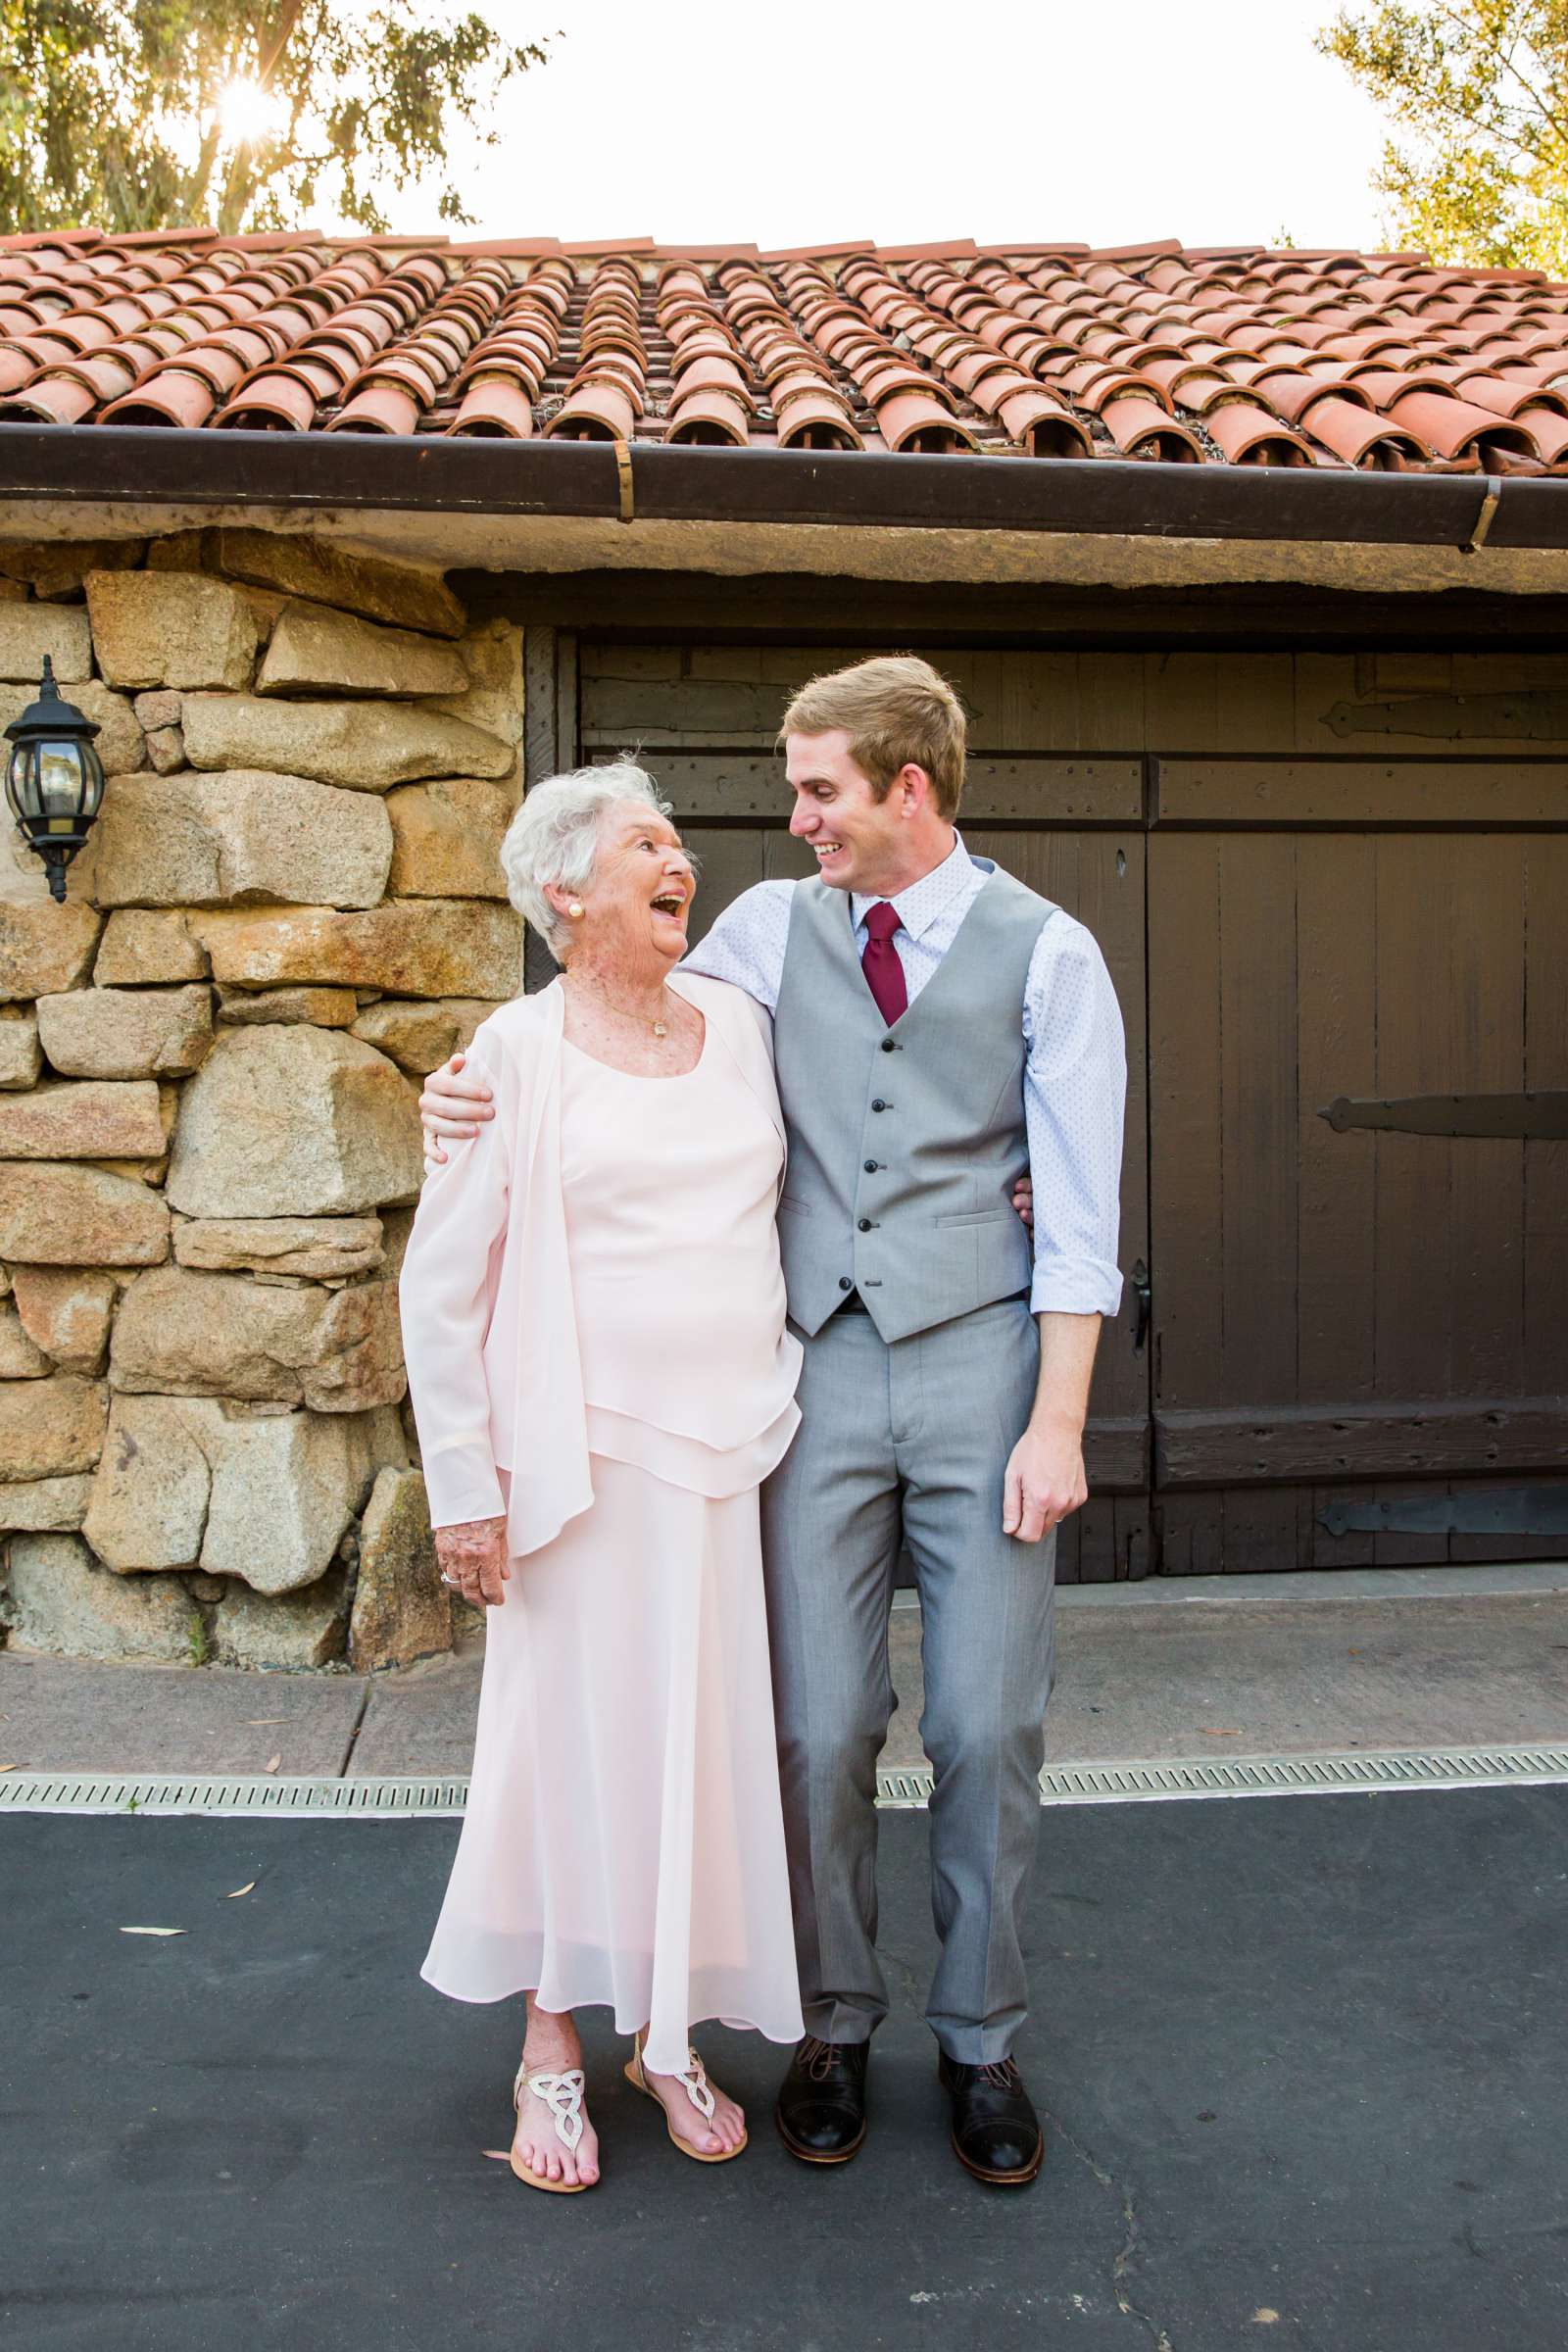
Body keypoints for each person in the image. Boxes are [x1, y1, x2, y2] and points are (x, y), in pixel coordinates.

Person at [420, 658, 1126, 2189]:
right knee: (810, 1730)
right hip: (807, 1382)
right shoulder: (757, 937)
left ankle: (983, 2038)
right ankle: (829, 2024)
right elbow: (621, 1044)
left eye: (816, 791)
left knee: (986, 1725)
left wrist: (1058, 1419)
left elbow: (1077, 1214)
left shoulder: (1054, 957)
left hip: (989, 1371)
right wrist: (459, 1097)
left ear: (906, 790)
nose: (789, 818)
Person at [398, 761, 807, 2196]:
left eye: (678, 840)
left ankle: (670, 2031)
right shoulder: (509, 1052)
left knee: (697, 1744)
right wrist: (466, 1484)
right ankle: (553, 2045)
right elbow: (442, 1283)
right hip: (572, 1462)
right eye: (646, 842)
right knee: (566, 1748)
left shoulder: (747, 1026)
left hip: (728, 1454)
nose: (677, 857)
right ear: (567, 892)